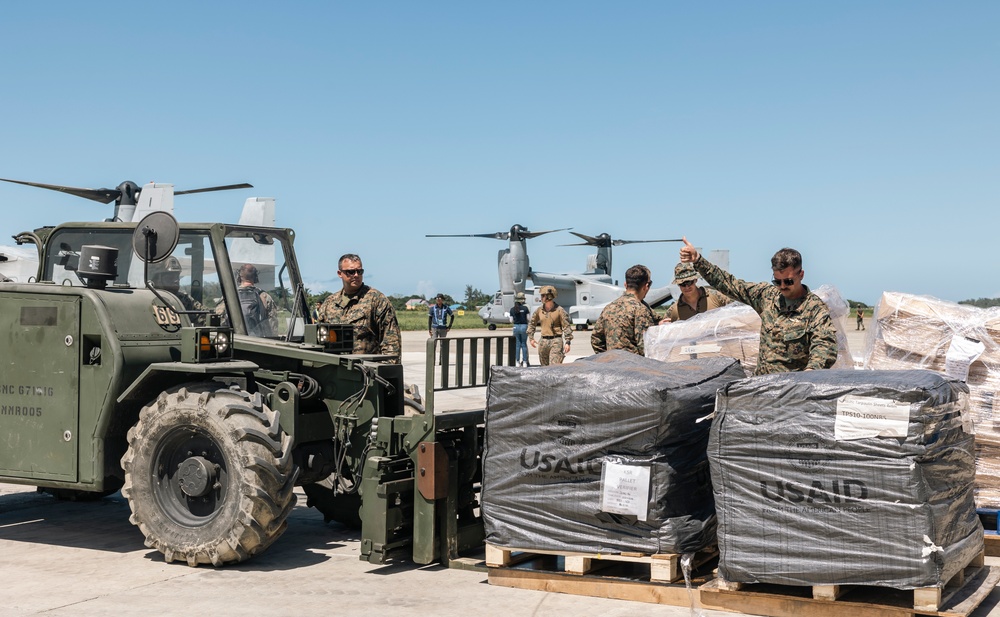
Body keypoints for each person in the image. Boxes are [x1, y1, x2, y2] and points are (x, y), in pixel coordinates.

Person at [679, 237, 837, 374]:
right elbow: (730, 284)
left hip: (791, 389)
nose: (782, 286)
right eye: (777, 281)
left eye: (788, 281)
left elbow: (824, 346)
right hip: (762, 385)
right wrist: (698, 260)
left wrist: (811, 372)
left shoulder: (814, 309)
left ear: (801, 274)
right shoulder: (767, 296)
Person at [317, 253, 401, 362]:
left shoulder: (376, 300)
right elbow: (318, 340)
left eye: (359, 271)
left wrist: (386, 372)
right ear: (339, 273)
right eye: (351, 272)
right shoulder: (329, 303)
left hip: (366, 371)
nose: (356, 275)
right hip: (335, 371)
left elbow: (392, 343)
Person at [591, 264, 658, 355]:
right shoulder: (640, 310)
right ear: (645, 286)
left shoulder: (609, 308)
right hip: (633, 366)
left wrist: (607, 357)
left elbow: (596, 340)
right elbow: (645, 346)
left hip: (612, 365)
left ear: (625, 284)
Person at [664, 262, 730, 322]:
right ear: (678, 284)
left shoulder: (717, 297)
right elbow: (663, 328)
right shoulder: (674, 310)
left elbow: (737, 310)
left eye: (689, 282)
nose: (687, 287)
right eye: (682, 284)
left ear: (695, 280)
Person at [527, 285, 573, 365]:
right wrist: (531, 338)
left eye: (543, 295)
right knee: (544, 369)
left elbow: (566, 326)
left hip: (556, 341)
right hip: (543, 342)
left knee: (554, 367)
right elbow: (532, 323)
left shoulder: (559, 310)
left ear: (549, 296)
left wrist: (567, 342)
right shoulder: (539, 310)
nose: (541, 298)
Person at [235, 263, 279, 337]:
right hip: (257, 342)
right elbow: (272, 325)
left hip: (234, 341)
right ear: (255, 277)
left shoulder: (229, 296)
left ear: (239, 277)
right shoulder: (264, 297)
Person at [510, 291, 531, 366]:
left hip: (516, 326)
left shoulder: (512, 309)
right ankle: (525, 361)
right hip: (524, 326)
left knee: (517, 345)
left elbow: (511, 320)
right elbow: (528, 319)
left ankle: (517, 362)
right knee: (524, 344)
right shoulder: (525, 308)